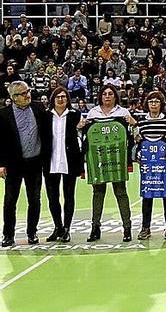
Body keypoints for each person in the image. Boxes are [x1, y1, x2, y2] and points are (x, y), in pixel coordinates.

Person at [80, 84, 138, 242]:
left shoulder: (123, 112)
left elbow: (134, 135)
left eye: (110, 94)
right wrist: (79, 128)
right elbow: (84, 138)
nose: (107, 96)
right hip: (98, 160)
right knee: (98, 193)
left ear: (115, 96)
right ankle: (95, 228)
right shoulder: (92, 113)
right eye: (104, 93)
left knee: (121, 192)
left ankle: (127, 228)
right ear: (100, 96)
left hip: (117, 160)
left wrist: (133, 123)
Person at [0, 81, 49, 246]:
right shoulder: (4, 114)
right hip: (14, 164)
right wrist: (1, 164)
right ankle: (8, 235)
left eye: (28, 91)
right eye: (23, 93)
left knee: (34, 199)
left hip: (35, 162)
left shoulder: (38, 108)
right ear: (14, 98)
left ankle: (32, 233)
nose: (28, 95)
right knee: (10, 201)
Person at [135, 91, 166, 240]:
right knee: (147, 194)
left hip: (165, 165)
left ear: (161, 104)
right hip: (148, 165)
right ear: (147, 104)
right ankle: (145, 227)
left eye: (157, 102)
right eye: (151, 101)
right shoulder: (142, 123)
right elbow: (137, 142)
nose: (154, 104)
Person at [44, 87, 82, 243]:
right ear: (53, 99)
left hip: (69, 162)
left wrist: (80, 166)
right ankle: (57, 227)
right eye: (58, 97)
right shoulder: (45, 116)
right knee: (52, 197)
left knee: (69, 196)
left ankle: (66, 228)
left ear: (67, 99)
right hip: (50, 161)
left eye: (63, 97)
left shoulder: (75, 116)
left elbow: (79, 141)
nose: (60, 99)